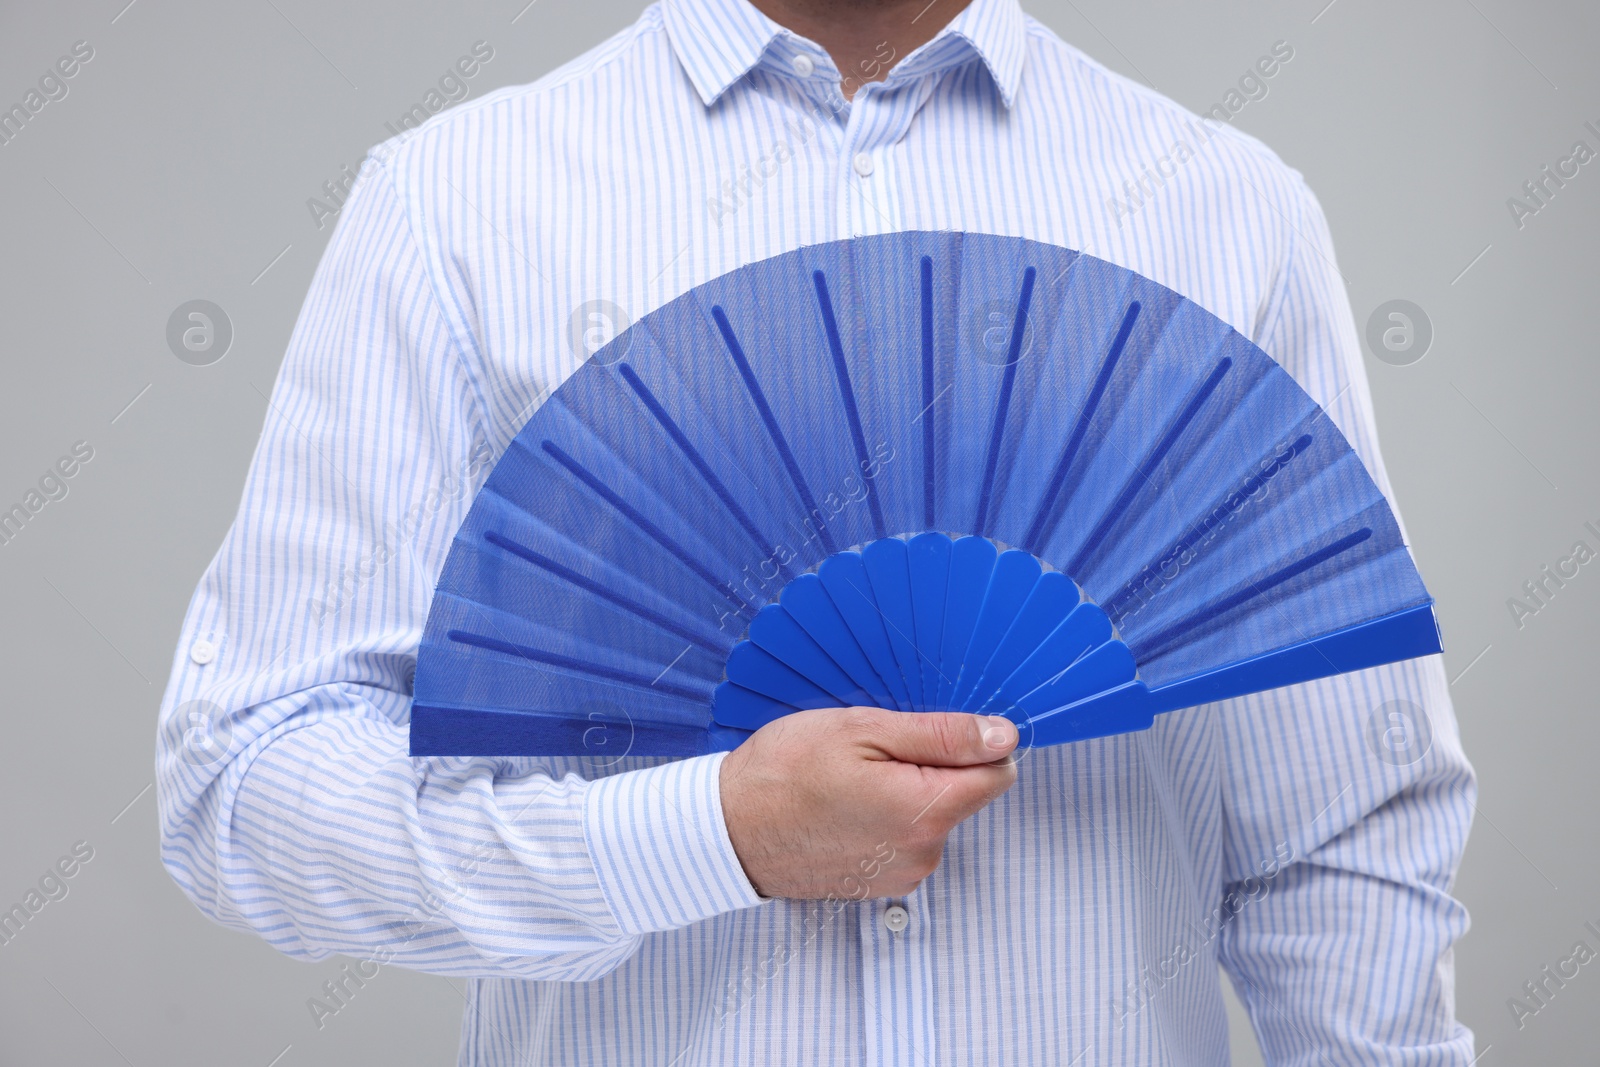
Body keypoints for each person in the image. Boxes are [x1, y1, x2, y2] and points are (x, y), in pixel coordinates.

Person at [156, 0, 1477, 1061]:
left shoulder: (1226, 213)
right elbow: (248, 784)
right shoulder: (457, 205)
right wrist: (701, 837)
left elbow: (1341, 840)